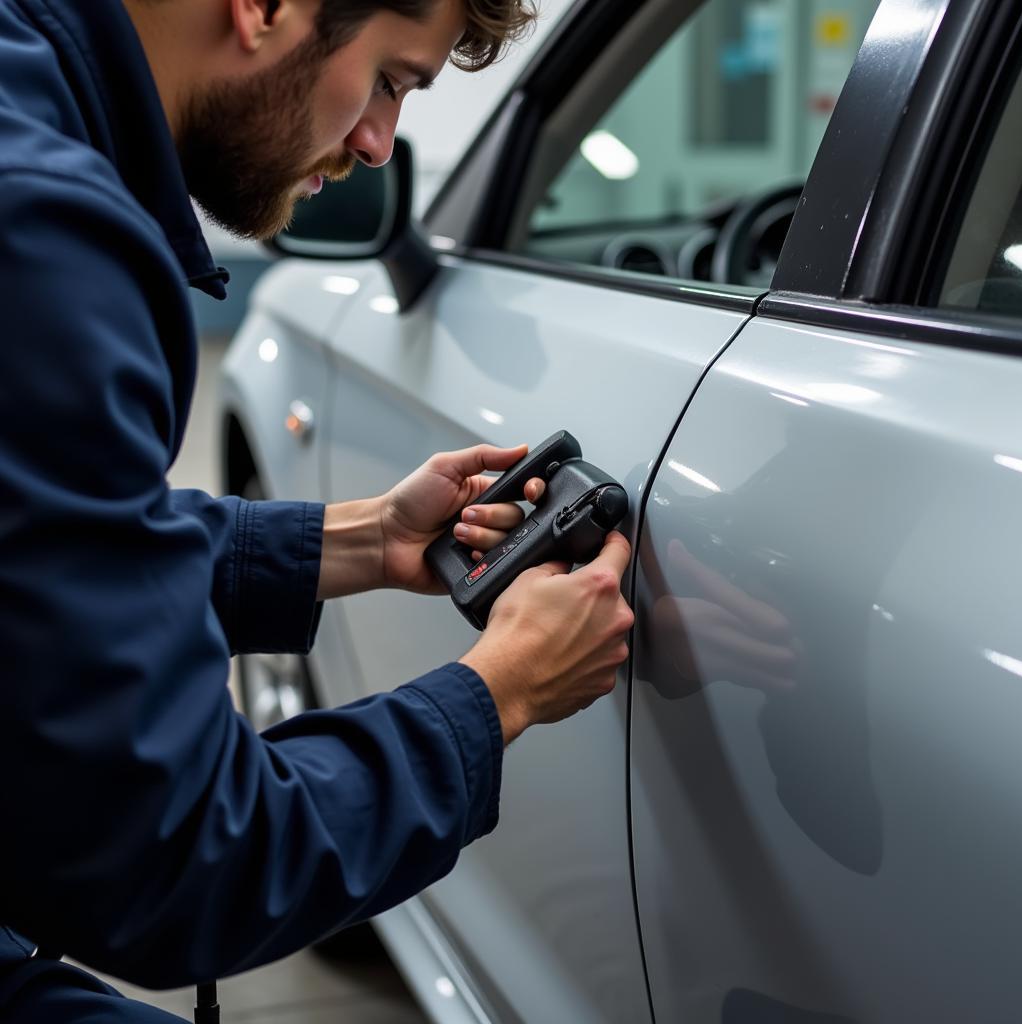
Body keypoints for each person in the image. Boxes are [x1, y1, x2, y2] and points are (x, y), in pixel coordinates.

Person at [0, 0, 635, 1020]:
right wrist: (497, 693)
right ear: (264, 7)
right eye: (390, 79)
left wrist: (359, 539)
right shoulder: (45, 240)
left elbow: (39, 564)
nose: (380, 145)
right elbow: (175, 860)